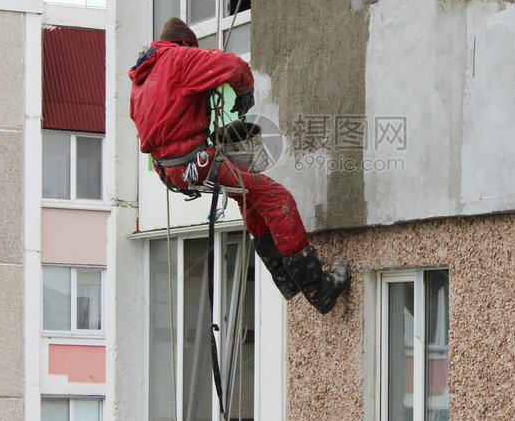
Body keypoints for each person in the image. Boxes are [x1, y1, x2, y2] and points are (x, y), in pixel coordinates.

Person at [129, 17, 350, 314]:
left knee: (247, 196)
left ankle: (285, 278)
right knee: (276, 198)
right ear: (186, 45)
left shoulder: (142, 79)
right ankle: (318, 288)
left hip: (171, 169)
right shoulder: (179, 59)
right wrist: (245, 92)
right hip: (195, 159)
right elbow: (234, 66)